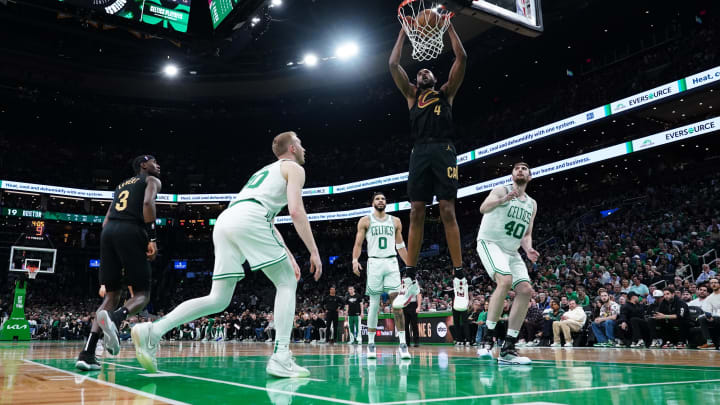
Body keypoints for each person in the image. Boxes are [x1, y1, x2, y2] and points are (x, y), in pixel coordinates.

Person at [131, 132, 322, 378]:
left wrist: (290, 256)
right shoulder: (294, 168)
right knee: (286, 282)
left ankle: (153, 331)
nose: (305, 148)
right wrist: (313, 251)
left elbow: (269, 220)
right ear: (293, 148)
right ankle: (281, 356)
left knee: (218, 299)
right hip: (252, 218)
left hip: (228, 220)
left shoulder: (263, 172)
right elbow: (295, 211)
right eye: (302, 144)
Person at [388, 17, 467, 299]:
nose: (422, 72)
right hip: (419, 151)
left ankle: (459, 275)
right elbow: (393, 65)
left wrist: (448, 28)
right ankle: (409, 276)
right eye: (419, 71)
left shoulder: (446, 94)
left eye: (427, 71)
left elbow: (462, 57)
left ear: (434, 79)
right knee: (415, 212)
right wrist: (403, 31)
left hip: (444, 149)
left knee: (447, 209)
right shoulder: (411, 95)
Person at [75, 155, 161, 371]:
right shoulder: (151, 180)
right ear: (143, 165)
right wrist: (151, 238)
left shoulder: (121, 185)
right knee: (142, 295)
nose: (158, 165)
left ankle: (87, 354)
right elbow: (148, 203)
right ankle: (114, 319)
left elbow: (105, 220)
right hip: (131, 231)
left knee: (112, 296)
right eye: (154, 162)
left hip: (108, 232)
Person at [476, 162, 539, 365]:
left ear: (529, 177)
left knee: (526, 290)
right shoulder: (501, 189)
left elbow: (526, 233)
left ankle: (509, 347)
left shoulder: (532, 204)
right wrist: (503, 200)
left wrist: (528, 249)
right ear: (512, 175)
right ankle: (487, 337)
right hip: (490, 242)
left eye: (524, 169)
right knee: (504, 281)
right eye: (516, 168)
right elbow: (483, 208)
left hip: (512, 251)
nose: (520, 170)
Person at [352, 192, 411, 359]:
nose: (380, 201)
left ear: (386, 203)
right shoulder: (365, 220)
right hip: (374, 263)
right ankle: (371, 343)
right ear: (372, 203)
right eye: (377, 199)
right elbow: (358, 243)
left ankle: (403, 343)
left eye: (383, 199)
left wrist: (410, 267)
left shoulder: (395, 221)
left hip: (392, 263)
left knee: (397, 304)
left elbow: (400, 246)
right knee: (374, 303)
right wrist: (355, 259)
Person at [697, 278, 720, 349]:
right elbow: (709, 311)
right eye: (711, 283)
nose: (713, 284)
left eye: (715, 282)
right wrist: (709, 317)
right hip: (716, 318)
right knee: (701, 319)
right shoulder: (709, 298)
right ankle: (709, 343)